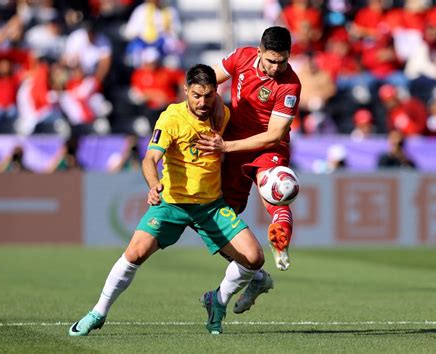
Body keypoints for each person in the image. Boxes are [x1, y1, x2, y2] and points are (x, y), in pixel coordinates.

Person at [68, 64, 265, 337]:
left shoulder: (221, 114)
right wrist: (153, 185)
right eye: (196, 95)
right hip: (172, 202)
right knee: (134, 253)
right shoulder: (171, 118)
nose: (202, 102)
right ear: (185, 90)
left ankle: (216, 301)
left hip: (211, 206)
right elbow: (150, 158)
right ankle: (98, 312)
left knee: (254, 258)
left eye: (208, 95)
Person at [196, 27, 301, 312]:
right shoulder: (241, 57)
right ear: (259, 52)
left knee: (282, 187)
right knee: (215, 224)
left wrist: (226, 147)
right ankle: (255, 278)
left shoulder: (290, 85)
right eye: (271, 61)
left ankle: (281, 236)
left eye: (282, 61)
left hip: (266, 148)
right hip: (232, 147)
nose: (277, 67)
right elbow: (208, 80)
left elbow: (275, 134)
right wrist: (215, 99)